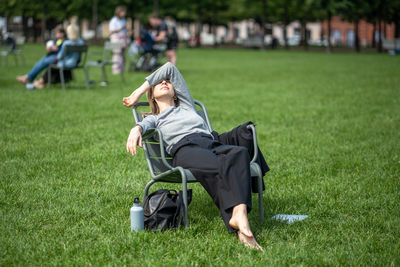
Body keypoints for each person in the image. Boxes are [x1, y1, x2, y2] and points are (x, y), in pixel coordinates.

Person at [123, 62, 269, 251]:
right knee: (225, 162)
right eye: (158, 82)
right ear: (152, 95)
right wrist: (136, 128)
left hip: (210, 141)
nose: (165, 82)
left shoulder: (186, 105)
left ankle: (238, 214)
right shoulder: (155, 118)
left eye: (168, 81)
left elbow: (170, 67)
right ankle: (242, 224)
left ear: (176, 92)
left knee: (240, 151)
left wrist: (138, 91)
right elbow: (145, 125)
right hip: (185, 149)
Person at [32, 24, 84, 89]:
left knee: (53, 64)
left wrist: (57, 56)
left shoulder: (67, 43)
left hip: (66, 63)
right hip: (75, 63)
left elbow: (60, 56)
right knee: (56, 63)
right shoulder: (81, 42)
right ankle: (42, 82)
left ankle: (41, 82)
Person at [109, 5, 129, 74]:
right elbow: (111, 31)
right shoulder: (113, 20)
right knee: (117, 55)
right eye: (123, 12)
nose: (124, 14)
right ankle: (116, 71)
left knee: (123, 55)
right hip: (115, 38)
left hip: (123, 39)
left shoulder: (123, 20)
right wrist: (121, 28)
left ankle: (122, 70)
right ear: (118, 12)